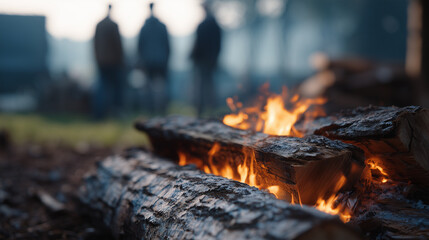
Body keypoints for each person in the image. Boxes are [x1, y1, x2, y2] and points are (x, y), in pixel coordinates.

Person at [138, 2, 170, 115]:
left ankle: (150, 108)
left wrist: (140, 61)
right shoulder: (162, 27)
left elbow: (140, 46)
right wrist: (167, 59)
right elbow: (167, 45)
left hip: (148, 61)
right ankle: (160, 108)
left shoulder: (144, 28)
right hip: (161, 61)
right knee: (160, 87)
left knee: (149, 87)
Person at [93, 4, 124, 119]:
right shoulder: (113, 25)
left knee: (102, 87)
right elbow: (118, 45)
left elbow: (95, 43)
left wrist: (97, 58)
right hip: (113, 62)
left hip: (101, 61)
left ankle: (100, 113)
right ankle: (115, 112)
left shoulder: (99, 25)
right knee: (116, 88)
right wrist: (121, 60)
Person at [190, 3, 222, 117]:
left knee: (202, 86)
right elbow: (219, 44)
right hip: (210, 60)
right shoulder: (215, 25)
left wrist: (193, 56)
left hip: (203, 61)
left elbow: (198, 44)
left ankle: (202, 110)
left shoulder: (203, 25)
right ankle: (210, 110)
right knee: (209, 85)